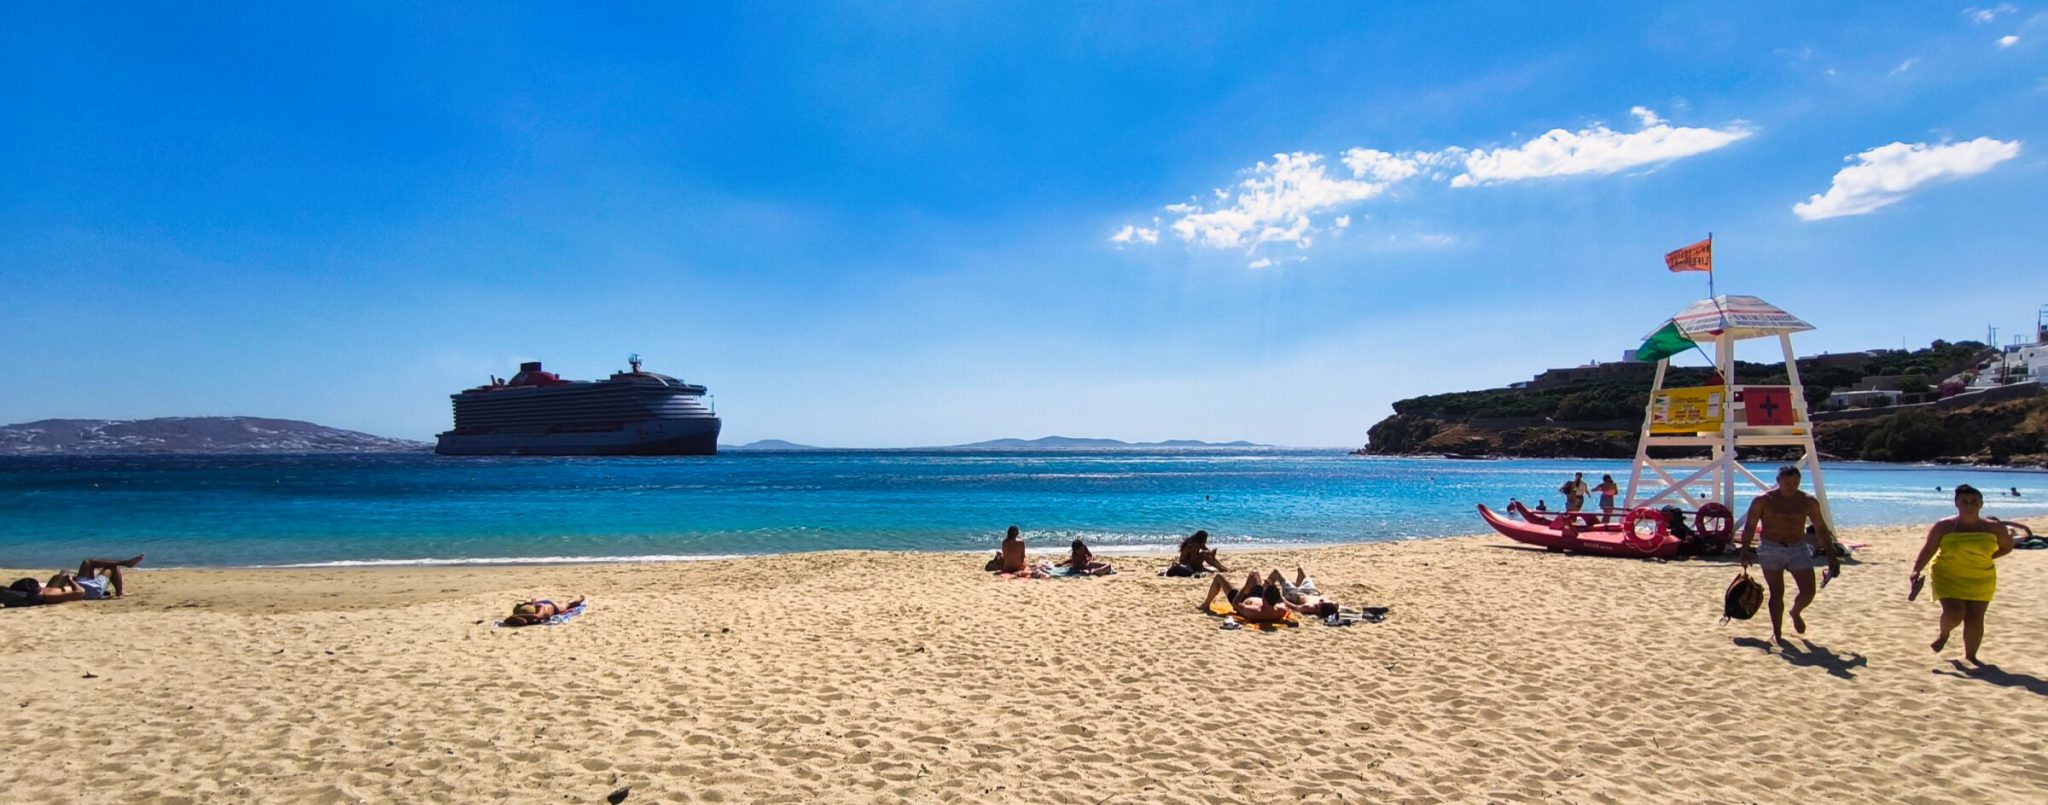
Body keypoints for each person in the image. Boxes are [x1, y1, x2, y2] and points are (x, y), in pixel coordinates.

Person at [1910, 485, 2014, 665]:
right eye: (1964, 501)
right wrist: (1916, 569)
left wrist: (1987, 557)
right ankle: (1944, 634)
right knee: (1954, 612)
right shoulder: (1944, 526)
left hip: (1981, 576)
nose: (1969, 505)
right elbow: (1928, 549)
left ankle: (1971, 656)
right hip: (1947, 574)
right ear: (1956, 504)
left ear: (1981, 504)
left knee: (1975, 618)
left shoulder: (1993, 527)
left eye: (1974, 501)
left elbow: (2007, 547)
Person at [1737, 466, 1838, 646]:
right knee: (1777, 592)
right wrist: (1744, 551)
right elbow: (1750, 527)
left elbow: (1821, 529)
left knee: (1808, 591)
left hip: (1797, 548)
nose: (1791, 486)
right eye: (1787, 483)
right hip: (1770, 548)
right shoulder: (1763, 500)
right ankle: (1777, 632)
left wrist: (1832, 556)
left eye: (1795, 483)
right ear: (1778, 481)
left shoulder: (1808, 501)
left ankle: (1796, 611)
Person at [1197, 571, 1301, 625]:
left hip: (1242, 598)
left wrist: (1245, 587)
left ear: (1265, 597)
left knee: (1219, 577)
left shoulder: (1254, 611)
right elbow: (1283, 602)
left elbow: (1235, 603)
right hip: (1258, 597)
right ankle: (1256, 585)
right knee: (1255, 574)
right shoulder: (1280, 610)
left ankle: (1206, 605)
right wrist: (1268, 588)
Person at [40, 555, 146, 603]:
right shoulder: (48, 594)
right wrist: (70, 580)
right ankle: (120, 592)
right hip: (91, 590)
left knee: (87, 562)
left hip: (81, 583)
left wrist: (67, 578)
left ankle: (126, 563)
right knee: (113, 567)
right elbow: (79, 592)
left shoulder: (45, 589)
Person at [502, 596, 585, 627]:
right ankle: (534, 599)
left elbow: (537, 616)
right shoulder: (531, 609)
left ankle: (580, 599)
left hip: (552, 606)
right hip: (537, 603)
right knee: (534, 602)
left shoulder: (540, 608)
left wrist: (515, 616)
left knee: (567, 605)